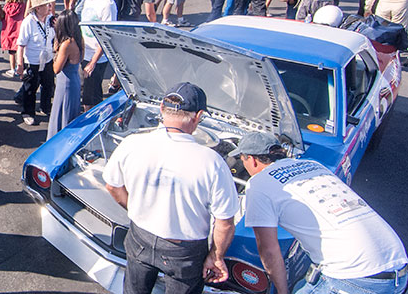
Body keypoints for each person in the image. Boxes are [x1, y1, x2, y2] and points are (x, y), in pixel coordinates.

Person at [104, 83, 239, 294]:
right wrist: (216, 256)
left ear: (161, 109)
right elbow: (224, 223)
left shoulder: (132, 143)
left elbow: (112, 185)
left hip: (140, 236)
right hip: (184, 251)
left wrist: (136, 209)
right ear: (198, 116)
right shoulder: (213, 162)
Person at [237, 132, 408, 294]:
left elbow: (269, 250)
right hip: (397, 265)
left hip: (356, 276)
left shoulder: (259, 184)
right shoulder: (312, 165)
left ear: (251, 160)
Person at [77, 0, 116, 111]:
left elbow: (106, 37)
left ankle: (93, 119)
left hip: (96, 57)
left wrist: (93, 62)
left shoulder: (107, 5)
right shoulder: (89, 0)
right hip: (85, 53)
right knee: (86, 91)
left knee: (92, 94)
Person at [16, 0, 56, 126]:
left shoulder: (51, 19)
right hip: (32, 61)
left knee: (48, 84)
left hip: (48, 59)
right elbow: (21, 45)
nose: (49, 6)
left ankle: (45, 107)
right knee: (30, 88)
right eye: (46, 5)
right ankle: (28, 112)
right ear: (38, 8)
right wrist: (20, 64)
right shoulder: (28, 22)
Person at [47, 10, 82, 139]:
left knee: (61, 115)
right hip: (74, 81)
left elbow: (56, 69)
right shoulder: (79, 39)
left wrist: (55, 49)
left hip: (65, 85)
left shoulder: (66, 44)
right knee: (70, 114)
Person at [1, 0, 25, 77]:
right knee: (21, 52)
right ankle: (21, 68)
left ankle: (12, 69)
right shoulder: (23, 6)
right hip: (20, 31)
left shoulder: (6, 7)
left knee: (12, 53)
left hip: (9, 31)